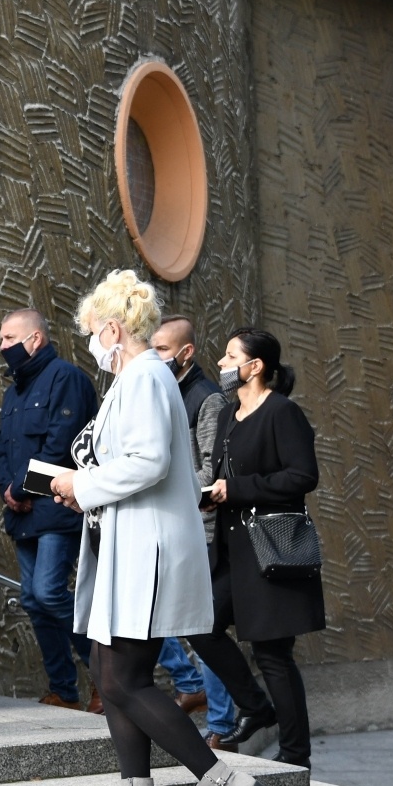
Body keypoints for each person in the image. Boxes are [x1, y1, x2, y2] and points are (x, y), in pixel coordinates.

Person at [47, 270, 266, 786]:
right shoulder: (137, 378)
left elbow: (147, 462)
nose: (91, 342)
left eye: (93, 331)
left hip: (146, 550)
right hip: (130, 545)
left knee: (123, 678)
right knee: (108, 670)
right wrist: (83, 489)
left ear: (114, 328)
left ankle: (221, 783)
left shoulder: (144, 376)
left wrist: (81, 485)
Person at [189, 327, 324, 768]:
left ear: (256, 365)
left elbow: (302, 476)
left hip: (270, 550)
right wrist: (211, 493)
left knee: (273, 655)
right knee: (200, 624)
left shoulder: (282, 412)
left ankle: (295, 756)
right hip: (231, 550)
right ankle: (255, 706)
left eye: (231, 357)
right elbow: (222, 473)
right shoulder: (230, 413)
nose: (222, 364)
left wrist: (238, 489)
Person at [0, 308, 98, 711]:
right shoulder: (14, 391)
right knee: (34, 601)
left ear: (35, 339)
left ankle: (106, 678)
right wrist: (7, 489)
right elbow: (2, 449)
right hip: (22, 512)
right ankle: (64, 690)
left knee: (49, 593)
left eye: (9, 338)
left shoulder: (66, 379)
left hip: (56, 507)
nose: (2, 346)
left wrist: (20, 487)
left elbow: (61, 445)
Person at [150, 315, 237, 744]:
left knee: (204, 627)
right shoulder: (163, 391)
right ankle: (190, 684)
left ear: (186, 353)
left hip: (200, 529)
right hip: (169, 522)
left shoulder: (207, 399)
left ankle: (221, 724)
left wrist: (165, 488)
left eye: (163, 350)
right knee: (156, 614)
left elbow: (209, 469)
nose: (155, 356)